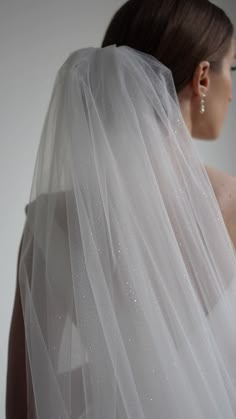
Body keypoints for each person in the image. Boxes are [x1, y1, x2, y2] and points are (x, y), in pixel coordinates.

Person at [6, 0, 236, 418]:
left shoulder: (49, 221)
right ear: (203, 78)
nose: (232, 91)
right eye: (232, 69)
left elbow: (24, 404)